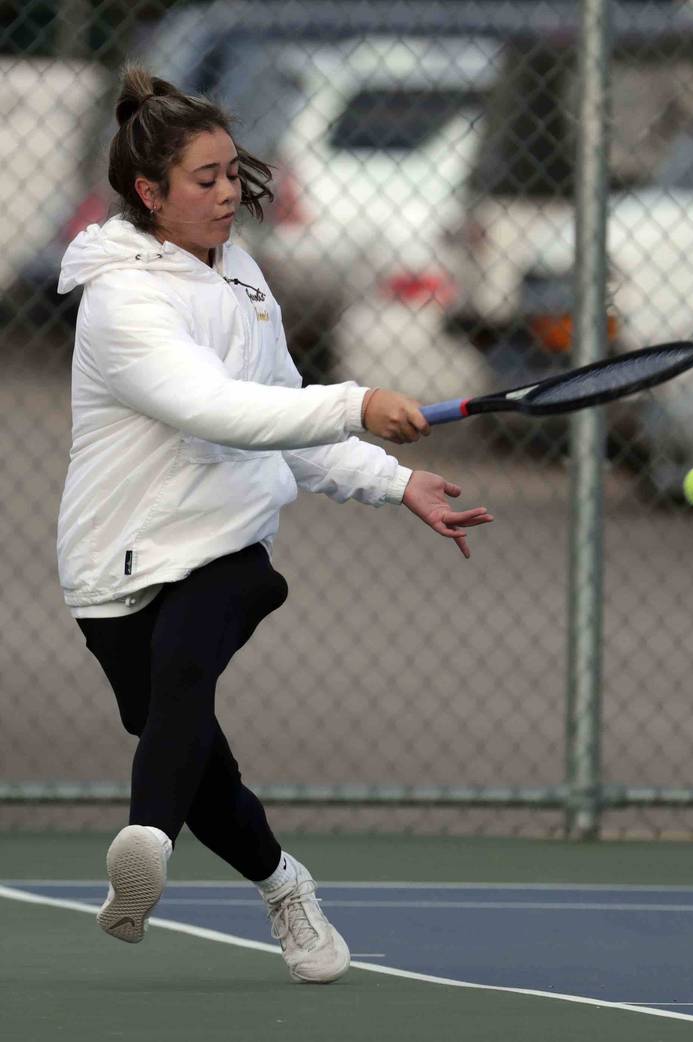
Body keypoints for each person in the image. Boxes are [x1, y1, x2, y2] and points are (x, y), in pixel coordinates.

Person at [56, 65, 493, 984]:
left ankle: (144, 841)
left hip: (228, 543)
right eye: (204, 179)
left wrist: (395, 479)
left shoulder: (246, 277)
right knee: (191, 752)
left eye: (230, 173)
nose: (228, 194)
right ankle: (284, 884)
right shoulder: (122, 300)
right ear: (149, 192)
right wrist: (360, 401)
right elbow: (219, 409)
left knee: (189, 658)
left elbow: (284, 412)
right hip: (113, 562)